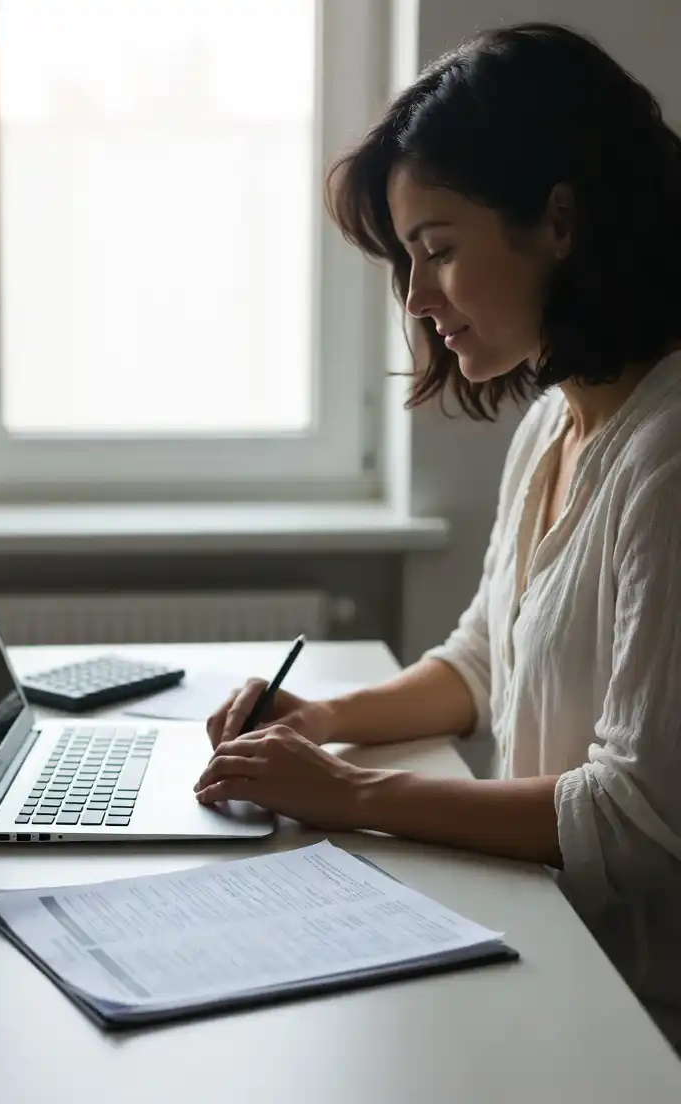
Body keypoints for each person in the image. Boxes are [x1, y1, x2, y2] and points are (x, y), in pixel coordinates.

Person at [194, 21, 681, 1048]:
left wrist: (349, 794)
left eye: (439, 251)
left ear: (558, 221)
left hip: (637, 1016)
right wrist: (321, 720)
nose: (415, 301)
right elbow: (481, 661)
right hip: (557, 951)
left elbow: (637, 823)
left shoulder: (667, 461)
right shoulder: (558, 418)